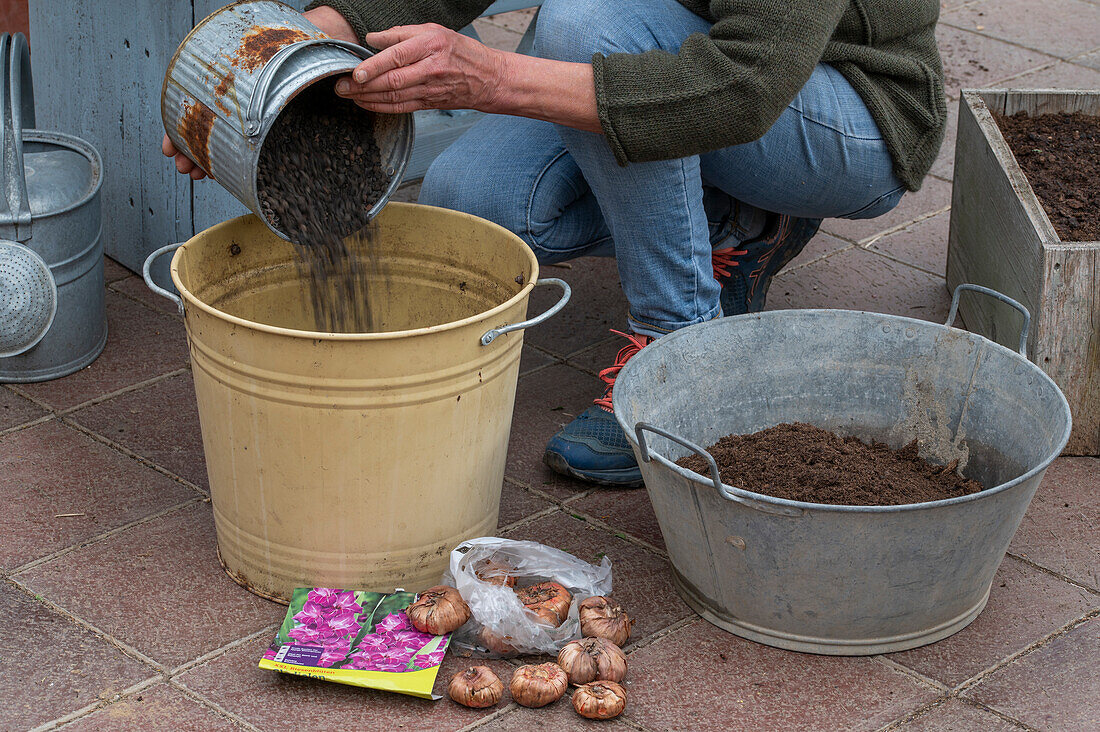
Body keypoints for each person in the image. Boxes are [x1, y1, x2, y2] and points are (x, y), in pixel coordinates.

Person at [164, 0, 946, 488]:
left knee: (585, 24)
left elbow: (744, 87)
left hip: (843, 111)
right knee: (481, 201)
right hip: (653, 39)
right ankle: (737, 224)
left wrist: (491, 79)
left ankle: (677, 341)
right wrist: (272, 68)